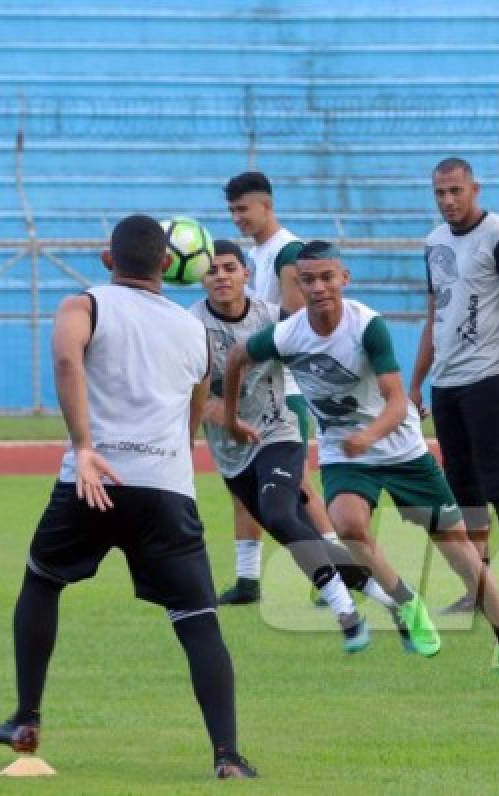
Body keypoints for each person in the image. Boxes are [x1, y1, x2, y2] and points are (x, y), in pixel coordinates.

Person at [0, 215, 256, 779]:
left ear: (107, 259)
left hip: (93, 481)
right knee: (199, 621)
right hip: (165, 492)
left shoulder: (84, 304)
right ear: (167, 264)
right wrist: (172, 462)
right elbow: (194, 409)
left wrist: (85, 446)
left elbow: (65, 359)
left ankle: (26, 717)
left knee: (42, 580)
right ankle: (227, 755)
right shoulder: (194, 330)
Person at [225, 241, 499, 677]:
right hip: (345, 454)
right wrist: (234, 417)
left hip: (400, 448)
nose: (318, 287)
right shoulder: (288, 333)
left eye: (327, 277)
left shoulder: (367, 326)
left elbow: (395, 399)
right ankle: (408, 604)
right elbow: (237, 356)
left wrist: (368, 435)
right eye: (307, 279)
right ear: (297, 284)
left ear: (344, 278)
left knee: (458, 548)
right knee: (347, 525)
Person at [190, 240, 414, 652]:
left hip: (280, 431)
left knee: (279, 513)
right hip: (230, 451)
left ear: (245, 274)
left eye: (229, 268)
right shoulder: (189, 327)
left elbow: (317, 345)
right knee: (300, 534)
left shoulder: (273, 317)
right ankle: (396, 601)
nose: (221, 276)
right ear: (199, 278)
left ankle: (347, 615)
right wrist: (218, 415)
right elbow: (185, 391)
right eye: (212, 270)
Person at [409, 157, 499, 617]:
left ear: (474, 189)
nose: (448, 200)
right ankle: (480, 589)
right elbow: (435, 314)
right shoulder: (433, 242)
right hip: (447, 380)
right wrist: (416, 382)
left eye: (455, 191)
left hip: (490, 375)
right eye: (440, 193)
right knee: (462, 485)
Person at [220, 170, 338, 605]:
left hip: (280, 387)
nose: (237, 218)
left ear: (267, 205)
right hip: (255, 384)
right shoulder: (257, 254)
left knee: (298, 489)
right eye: (231, 211)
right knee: (244, 484)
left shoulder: (287, 252)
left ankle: (337, 568)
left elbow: (293, 317)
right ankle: (249, 580)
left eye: (243, 209)